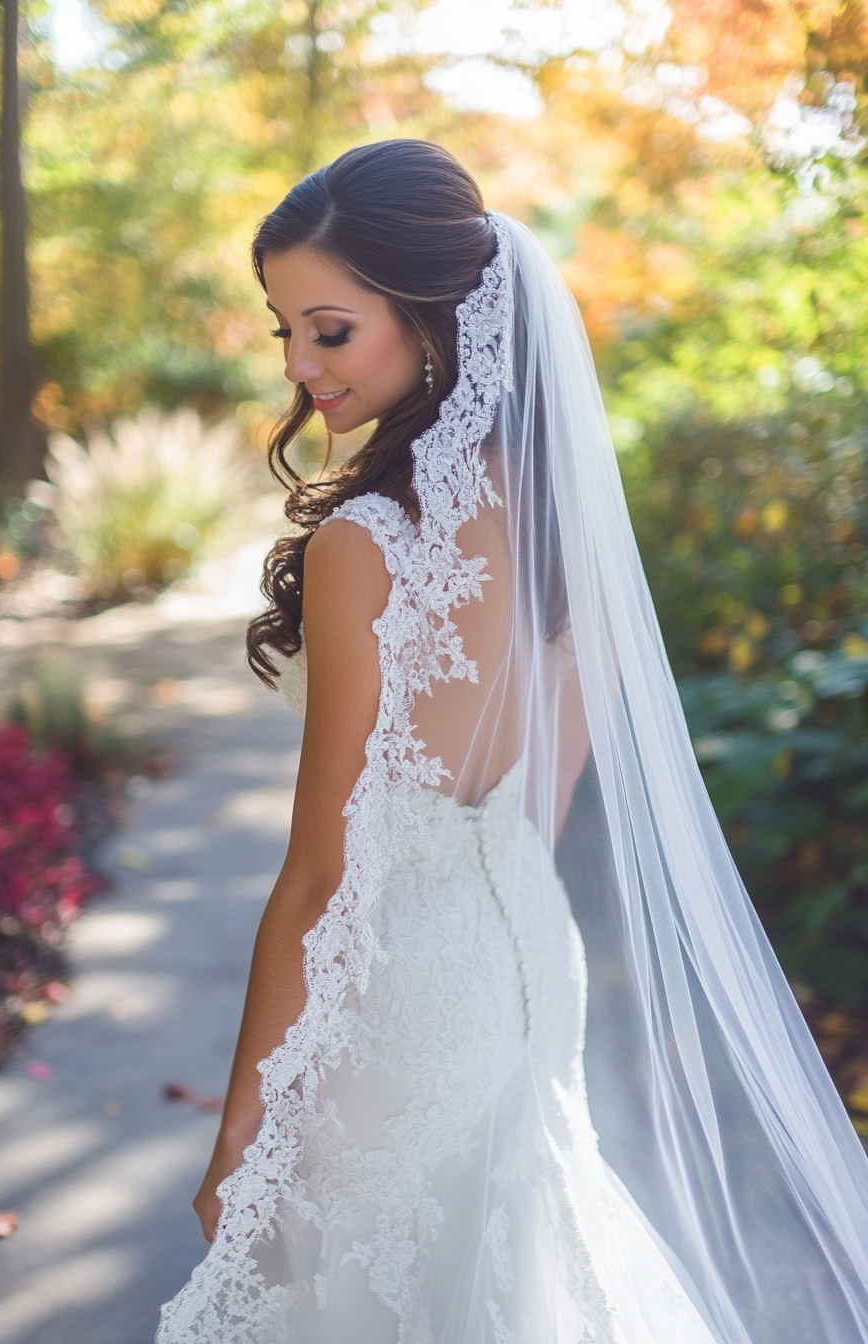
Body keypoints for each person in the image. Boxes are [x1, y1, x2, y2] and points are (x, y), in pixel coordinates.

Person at [157, 140, 868, 1344]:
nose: (298, 365)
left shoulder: (363, 546)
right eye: (284, 329)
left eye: (329, 329)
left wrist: (242, 1135)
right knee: (508, 1272)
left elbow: (325, 873)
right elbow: (542, 797)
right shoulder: (567, 527)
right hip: (527, 956)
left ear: (432, 320)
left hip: (398, 980)